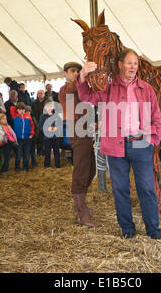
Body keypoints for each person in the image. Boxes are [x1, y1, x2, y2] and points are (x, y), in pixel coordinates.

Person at [77, 48, 161, 240]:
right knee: (120, 189)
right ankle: (127, 229)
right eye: (129, 63)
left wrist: (153, 141)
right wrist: (82, 76)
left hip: (141, 144)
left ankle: (153, 230)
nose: (133, 67)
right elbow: (86, 97)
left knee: (147, 188)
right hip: (115, 146)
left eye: (135, 63)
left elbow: (157, 117)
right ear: (120, 65)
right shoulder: (108, 88)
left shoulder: (146, 89)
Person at [59, 62, 97, 227]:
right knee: (82, 169)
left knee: (90, 169)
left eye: (77, 71)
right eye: (72, 71)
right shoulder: (64, 89)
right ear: (65, 74)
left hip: (85, 127)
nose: (75, 74)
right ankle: (81, 213)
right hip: (76, 128)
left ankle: (82, 204)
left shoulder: (80, 88)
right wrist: (83, 75)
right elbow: (72, 90)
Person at [12, 102, 34, 172]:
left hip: (27, 138)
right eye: (19, 109)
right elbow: (12, 108)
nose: (21, 111)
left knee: (26, 153)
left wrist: (32, 134)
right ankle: (17, 167)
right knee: (18, 154)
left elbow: (32, 126)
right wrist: (17, 106)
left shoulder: (28, 117)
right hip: (19, 138)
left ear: (25, 110)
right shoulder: (15, 116)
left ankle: (25, 167)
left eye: (23, 109)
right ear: (17, 110)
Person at [38, 102, 61, 169]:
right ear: (45, 107)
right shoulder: (42, 116)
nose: (49, 108)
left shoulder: (56, 115)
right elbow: (40, 126)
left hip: (56, 137)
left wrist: (56, 128)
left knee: (56, 151)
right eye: (48, 106)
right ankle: (47, 165)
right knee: (47, 152)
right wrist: (46, 129)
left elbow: (60, 125)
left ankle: (57, 165)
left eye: (51, 106)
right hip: (47, 137)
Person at [32, 89, 47, 156]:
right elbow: (32, 113)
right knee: (38, 138)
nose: (40, 94)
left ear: (44, 94)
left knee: (45, 138)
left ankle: (45, 152)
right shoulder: (34, 103)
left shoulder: (47, 102)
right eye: (38, 93)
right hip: (37, 122)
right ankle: (39, 152)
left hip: (46, 122)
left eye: (41, 93)